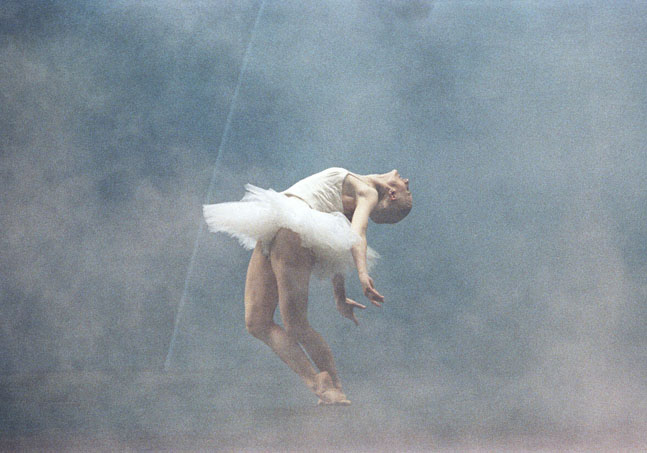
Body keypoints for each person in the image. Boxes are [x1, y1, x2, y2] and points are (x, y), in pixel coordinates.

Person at [203, 168, 412, 405]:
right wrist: (340, 297)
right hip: (274, 223)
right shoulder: (352, 195)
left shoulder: (368, 192)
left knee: (296, 325)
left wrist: (363, 274)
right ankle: (322, 385)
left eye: (407, 188)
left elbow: (357, 234)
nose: (406, 180)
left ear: (392, 194)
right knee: (256, 323)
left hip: (291, 231)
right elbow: (338, 243)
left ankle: (334, 386)